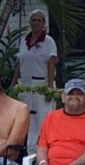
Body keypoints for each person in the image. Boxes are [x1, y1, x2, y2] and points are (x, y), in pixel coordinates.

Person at [12, 9, 57, 154]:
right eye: (33, 20)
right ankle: (28, 151)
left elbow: (51, 64)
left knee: (42, 119)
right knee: (27, 119)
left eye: (39, 20)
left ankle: (41, 151)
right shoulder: (24, 41)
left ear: (44, 23)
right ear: (30, 22)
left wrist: (50, 88)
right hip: (25, 86)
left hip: (41, 85)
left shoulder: (48, 42)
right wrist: (14, 84)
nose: (36, 23)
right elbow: (19, 63)